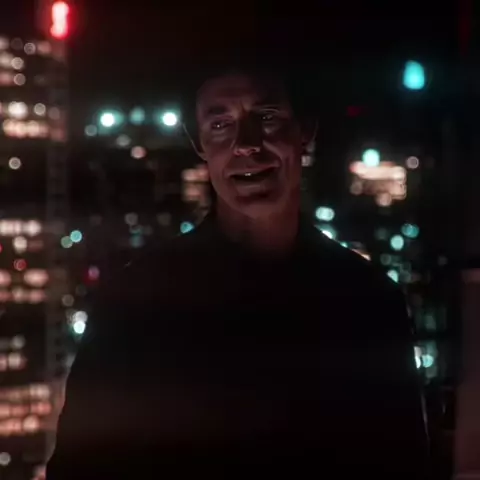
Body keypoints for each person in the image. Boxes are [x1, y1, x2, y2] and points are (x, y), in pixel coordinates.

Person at [47, 63, 429, 479]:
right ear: (198, 144)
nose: (246, 145)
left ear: (305, 129)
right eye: (220, 124)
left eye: (266, 117)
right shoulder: (133, 303)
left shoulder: (369, 302)